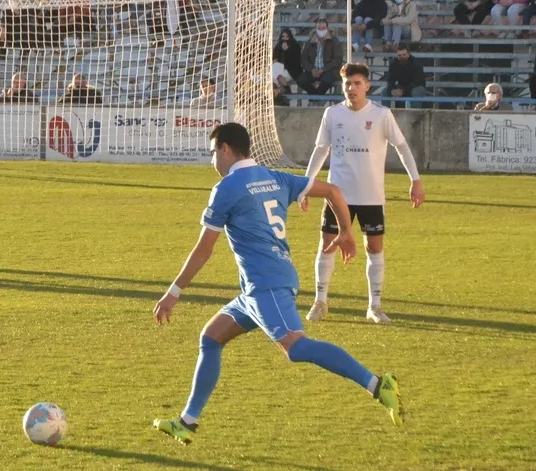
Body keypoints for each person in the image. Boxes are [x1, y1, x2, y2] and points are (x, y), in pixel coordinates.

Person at [151, 123, 404, 445]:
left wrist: (173, 293)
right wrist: (345, 231)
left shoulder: (227, 188)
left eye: (213, 152)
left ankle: (378, 385)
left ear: (226, 149)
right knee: (211, 337)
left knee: (296, 348)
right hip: (259, 287)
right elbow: (333, 192)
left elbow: (204, 249)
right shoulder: (275, 177)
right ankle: (187, 422)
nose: (212, 159)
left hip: (266, 285)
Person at [301, 63, 425, 324]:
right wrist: (306, 184)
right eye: (347, 83)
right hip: (337, 195)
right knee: (327, 244)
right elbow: (321, 150)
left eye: (357, 83)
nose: (352, 88)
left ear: (367, 86)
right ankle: (320, 302)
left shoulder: (381, 114)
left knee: (374, 247)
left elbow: (402, 146)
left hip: (371, 195)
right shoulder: (332, 114)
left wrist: (416, 180)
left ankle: (374, 307)